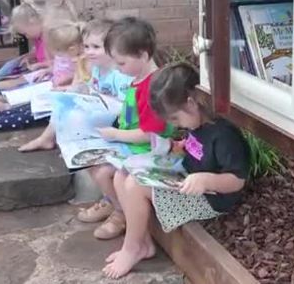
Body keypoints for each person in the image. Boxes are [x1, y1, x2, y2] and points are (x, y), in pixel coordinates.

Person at [102, 62, 250, 279]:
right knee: (121, 175)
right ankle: (143, 242)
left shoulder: (224, 135)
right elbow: (195, 149)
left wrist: (207, 180)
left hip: (210, 198)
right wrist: (175, 147)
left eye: (175, 119)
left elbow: (237, 180)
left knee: (135, 184)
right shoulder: (195, 123)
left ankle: (132, 248)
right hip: (187, 178)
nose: (176, 124)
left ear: (191, 103)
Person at [76, 17, 173, 240]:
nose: (119, 69)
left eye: (121, 63)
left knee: (105, 172)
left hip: (148, 149)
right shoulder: (138, 77)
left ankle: (121, 213)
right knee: (93, 164)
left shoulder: (152, 88)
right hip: (131, 144)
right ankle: (115, 206)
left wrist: (116, 134)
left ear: (143, 55)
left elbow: (150, 134)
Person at [18, 18, 133, 152]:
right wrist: (74, 92)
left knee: (72, 114)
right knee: (63, 103)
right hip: (100, 111)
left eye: (96, 47)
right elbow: (90, 87)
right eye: (86, 46)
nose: (89, 51)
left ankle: (60, 142)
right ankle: (46, 138)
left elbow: (125, 105)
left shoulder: (119, 74)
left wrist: (95, 99)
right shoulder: (97, 68)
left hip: (115, 121)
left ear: (113, 47)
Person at [0, 17, 84, 137]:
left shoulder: (80, 61)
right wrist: (49, 72)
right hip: (59, 91)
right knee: (29, 107)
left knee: (30, 114)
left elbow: (80, 84)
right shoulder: (76, 58)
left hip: (65, 98)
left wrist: (62, 86)